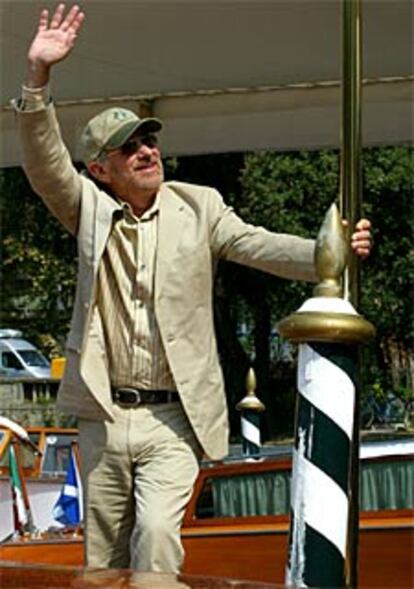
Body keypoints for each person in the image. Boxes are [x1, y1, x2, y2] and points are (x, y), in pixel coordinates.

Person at [14, 3, 372, 574]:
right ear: (101, 170)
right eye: (130, 148)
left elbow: (254, 244)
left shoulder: (199, 205)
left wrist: (327, 256)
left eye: (150, 142)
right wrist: (38, 78)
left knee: (157, 538)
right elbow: (44, 163)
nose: (148, 152)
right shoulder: (88, 210)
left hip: (175, 416)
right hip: (104, 412)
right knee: (102, 561)